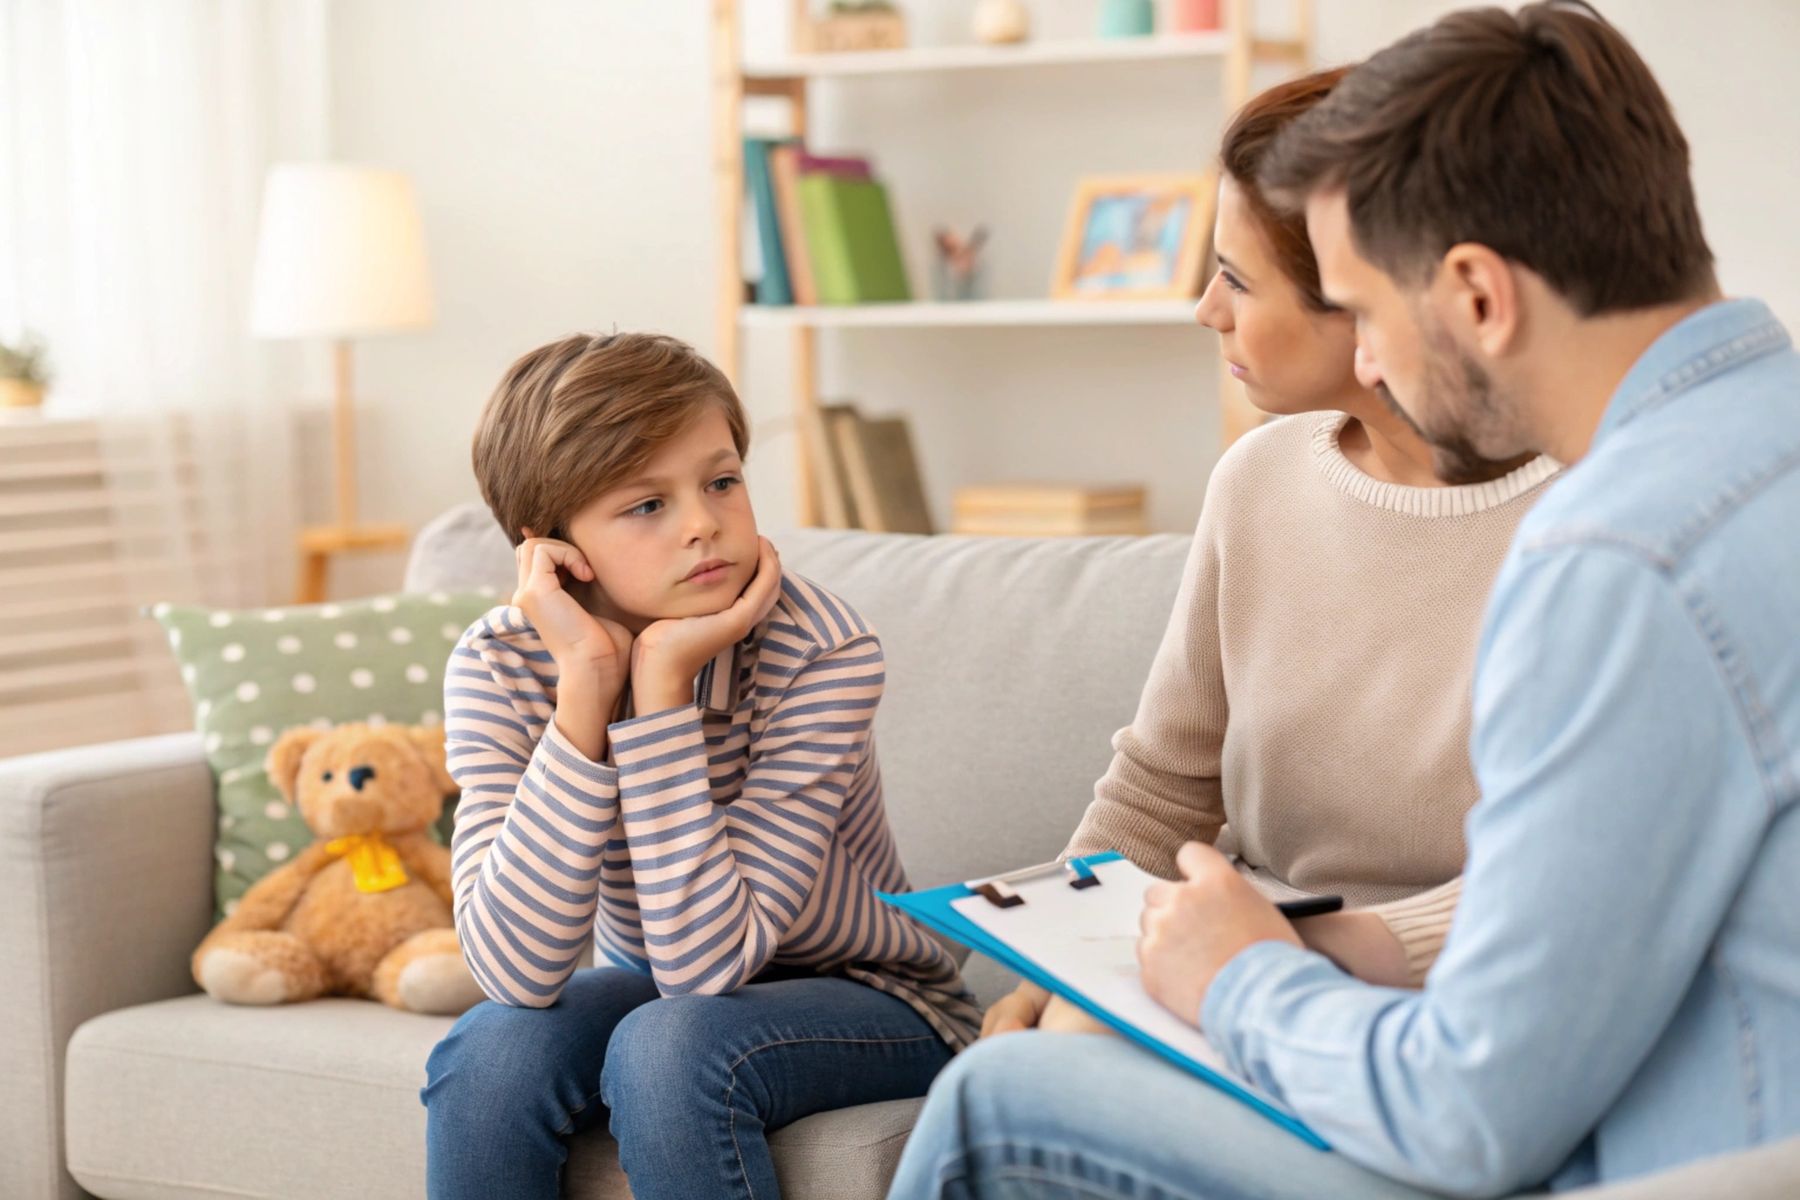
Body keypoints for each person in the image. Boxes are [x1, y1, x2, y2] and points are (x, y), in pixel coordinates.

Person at [890, 3, 1800, 1197]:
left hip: (1651, 1164)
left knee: (1000, 1108)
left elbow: (1469, 1114)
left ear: (1476, 295)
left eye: (1367, 311)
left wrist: (1240, 980)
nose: (1366, 362)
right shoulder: (1761, 444)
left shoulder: (1618, 563)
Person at [982, 67, 1557, 1044]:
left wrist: (1302, 955)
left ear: (1365, 299)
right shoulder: (1257, 480)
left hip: (1455, 983)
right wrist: (1051, 963)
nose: (1207, 309)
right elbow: (1162, 788)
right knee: (1029, 1054)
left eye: (1238, 279)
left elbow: (1568, 871)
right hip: (1243, 945)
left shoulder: (1590, 517)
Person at [421, 331, 978, 1199]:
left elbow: (705, 968)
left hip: (870, 998)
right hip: (662, 982)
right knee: (491, 1052)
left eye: (722, 481)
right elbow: (514, 971)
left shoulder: (820, 652)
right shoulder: (500, 664)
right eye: (646, 505)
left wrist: (663, 691)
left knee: (669, 1044)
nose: (704, 524)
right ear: (553, 548)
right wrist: (588, 692)